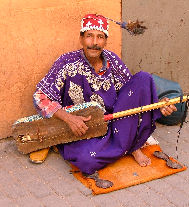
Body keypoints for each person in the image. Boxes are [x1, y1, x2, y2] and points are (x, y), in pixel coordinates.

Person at [31, 14, 176, 175]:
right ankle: (126, 145)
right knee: (87, 160)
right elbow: (39, 97)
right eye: (89, 36)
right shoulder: (66, 62)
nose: (94, 42)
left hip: (114, 123)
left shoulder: (113, 60)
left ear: (105, 41)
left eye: (100, 37)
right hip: (84, 129)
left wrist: (158, 104)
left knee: (143, 79)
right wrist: (68, 118)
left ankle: (131, 145)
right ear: (81, 39)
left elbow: (132, 95)